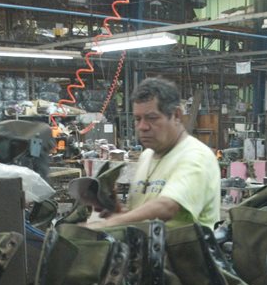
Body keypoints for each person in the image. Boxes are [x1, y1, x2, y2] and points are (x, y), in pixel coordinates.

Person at [85, 77, 220, 229]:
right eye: (137, 119)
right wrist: (117, 212)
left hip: (186, 251)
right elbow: (144, 218)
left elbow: (167, 207)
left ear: (176, 116)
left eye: (152, 118)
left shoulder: (196, 156)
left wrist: (110, 224)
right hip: (149, 250)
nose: (142, 127)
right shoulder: (147, 156)